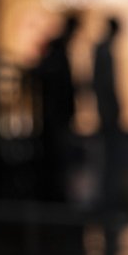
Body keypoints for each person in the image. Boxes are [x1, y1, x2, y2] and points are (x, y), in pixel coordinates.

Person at [36, 15, 78, 201]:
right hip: (55, 113)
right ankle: (54, 193)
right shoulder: (57, 51)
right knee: (56, 156)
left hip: (58, 113)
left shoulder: (60, 50)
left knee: (59, 156)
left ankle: (56, 191)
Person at [92, 17, 123, 208]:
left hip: (107, 106)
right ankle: (107, 195)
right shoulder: (103, 50)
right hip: (106, 107)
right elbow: (104, 83)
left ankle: (109, 193)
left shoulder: (104, 49)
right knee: (107, 154)